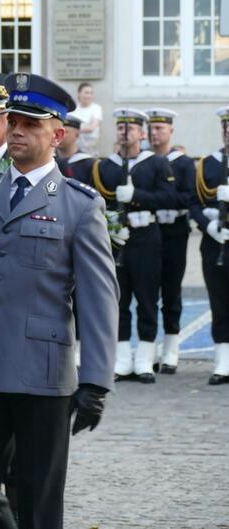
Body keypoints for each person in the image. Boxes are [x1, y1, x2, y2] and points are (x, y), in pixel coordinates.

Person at [0, 72, 118, 529]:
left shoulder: (79, 205)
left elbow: (98, 299)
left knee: (38, 495)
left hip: (42, 373)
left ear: (57, 135)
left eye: (29, 124)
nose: (15, 130)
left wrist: (95, 380)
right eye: (12, 120)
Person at [93, 109, 178, 383]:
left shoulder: (155, 163)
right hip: (117, 239)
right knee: (118, 299)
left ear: (142, 134)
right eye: (120, 128)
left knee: (146, 297)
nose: (125, 133)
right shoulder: (106, 166)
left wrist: (137, 195)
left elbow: (169, 198)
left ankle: (144, 358)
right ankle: (122, 359)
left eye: (131, 129)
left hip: (145, 236)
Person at [145, 108, 197, 374]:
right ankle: (149, 348)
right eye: (152, 128)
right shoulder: (145, 161)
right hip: (152, 230)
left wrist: (152, 199)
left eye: (160, 129)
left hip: (175, 231)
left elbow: (187, 197)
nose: (156, 134)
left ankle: (171, 348)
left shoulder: (183, 163)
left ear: (170, 131)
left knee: (172, 291)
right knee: (148, 292)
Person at [191, 106, 229, 384]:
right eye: (225, 128)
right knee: (219, 301)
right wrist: (209, 226)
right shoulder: (208, 164)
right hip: (215, 242)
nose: (228, 133)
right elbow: (193, 203)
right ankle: (223, 360)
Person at [55, 115, 93, 184]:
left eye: (65, 132)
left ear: (77, 135)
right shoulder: (47, 160)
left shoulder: (87, 163)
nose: (59, 135)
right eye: (57, 131)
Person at [68, 82, 102, 155]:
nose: (89, 95)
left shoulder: (96, 108)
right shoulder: (74, 108)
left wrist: (74, 129)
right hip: (75, 149)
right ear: (79, 93)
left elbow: (92, 128)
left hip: (91, 149)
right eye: (86, 93)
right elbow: (68, 127)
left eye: (91, 93)